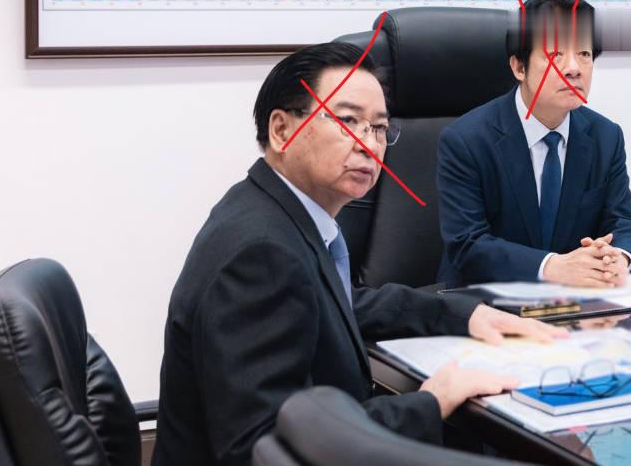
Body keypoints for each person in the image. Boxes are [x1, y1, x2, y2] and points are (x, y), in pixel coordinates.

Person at [153, 42, 565, 466]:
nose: (369, 145)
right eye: (348, 121)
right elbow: (264, 445)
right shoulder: (262, 254)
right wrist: (430, 401)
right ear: (281, 130)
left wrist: (465, 315)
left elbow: (337, 301)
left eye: (380, 128)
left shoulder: (266, 211)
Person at [436, 0, 631, 287]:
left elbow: (624, 223)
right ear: (519, 68)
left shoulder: (605, 136)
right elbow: (467, 245)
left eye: (584, 54)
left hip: (576, 302)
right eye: (555, 54)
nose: (573, 68)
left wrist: (618, 257)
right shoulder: (466, 140)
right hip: (483, 302)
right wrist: (551, 266)